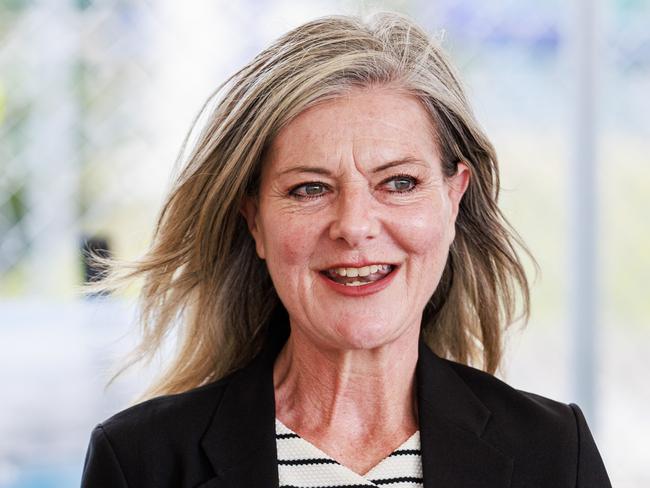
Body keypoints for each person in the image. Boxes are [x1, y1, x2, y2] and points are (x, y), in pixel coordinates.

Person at [80, 12, 611, 488]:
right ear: (255, 222)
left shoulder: (556, 453)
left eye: (399, 182)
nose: (354, 226)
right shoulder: (140, 463)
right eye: (309, 189)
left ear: (454, 199)